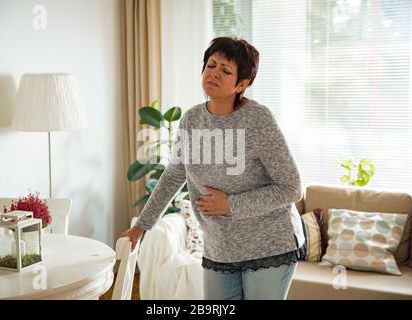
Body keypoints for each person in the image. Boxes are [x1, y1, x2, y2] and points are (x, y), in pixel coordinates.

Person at [120, 37, 305, 300]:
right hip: (219, 246)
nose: (214, 73)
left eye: (225, 70)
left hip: (270, 245)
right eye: (211, 65)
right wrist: (142, 226)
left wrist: (231, 204)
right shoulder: (191, 120)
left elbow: (291, 187)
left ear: (242, 84)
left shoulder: (257, 119)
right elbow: (173, 175)